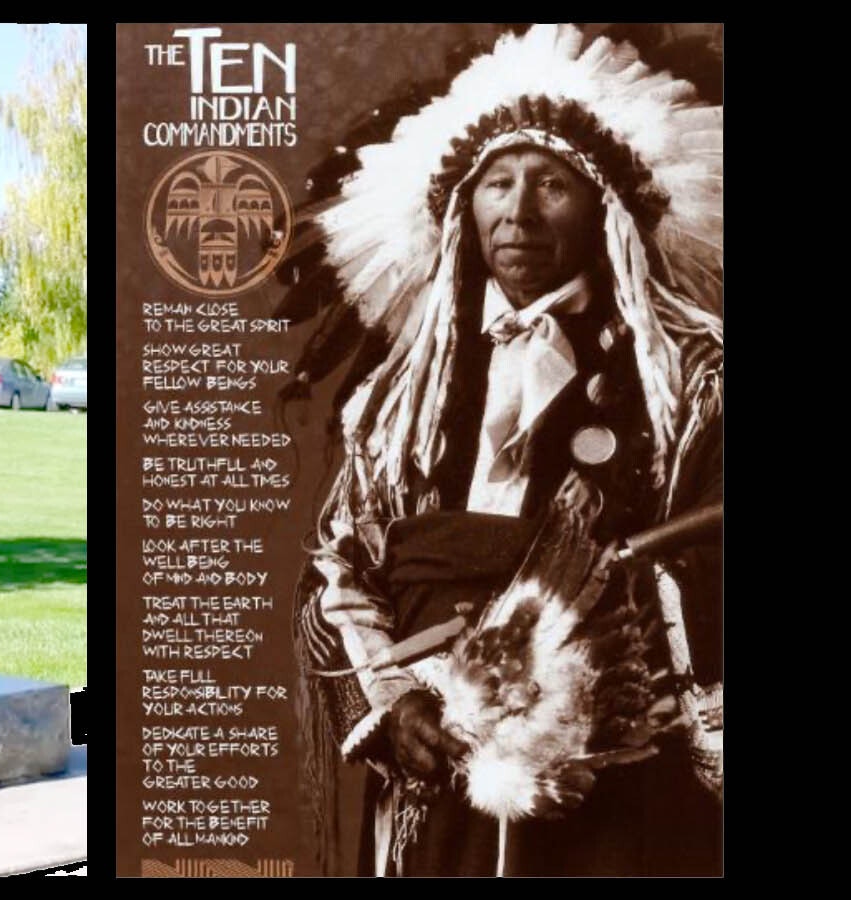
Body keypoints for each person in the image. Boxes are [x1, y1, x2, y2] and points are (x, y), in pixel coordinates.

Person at [285, 24, 722, 876]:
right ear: (463, 206)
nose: (518, 213)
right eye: (499, 183)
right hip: (440, 771)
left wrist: (586, 665)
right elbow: (345, 564)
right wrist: (398, 697)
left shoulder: (689, 378)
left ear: (606, 203)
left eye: (552, 184)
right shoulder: (402, 395)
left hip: (617, 786)